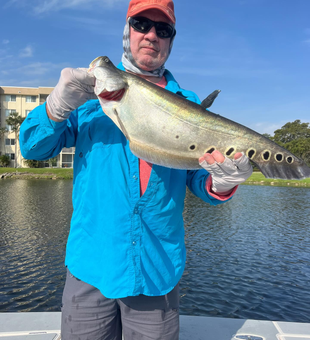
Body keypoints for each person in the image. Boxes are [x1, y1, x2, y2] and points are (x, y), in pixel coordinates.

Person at [19, 0, 253, 339]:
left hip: (156, 272)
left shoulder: (187, 102)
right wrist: (56, 105)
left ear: (171, 40)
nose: (151, 35)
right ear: (127, 31)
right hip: (91, 267)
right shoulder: (88, 95)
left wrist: (222, 181)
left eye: (163, 29)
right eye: (142, 23)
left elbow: (198, 179)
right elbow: (34, 149)